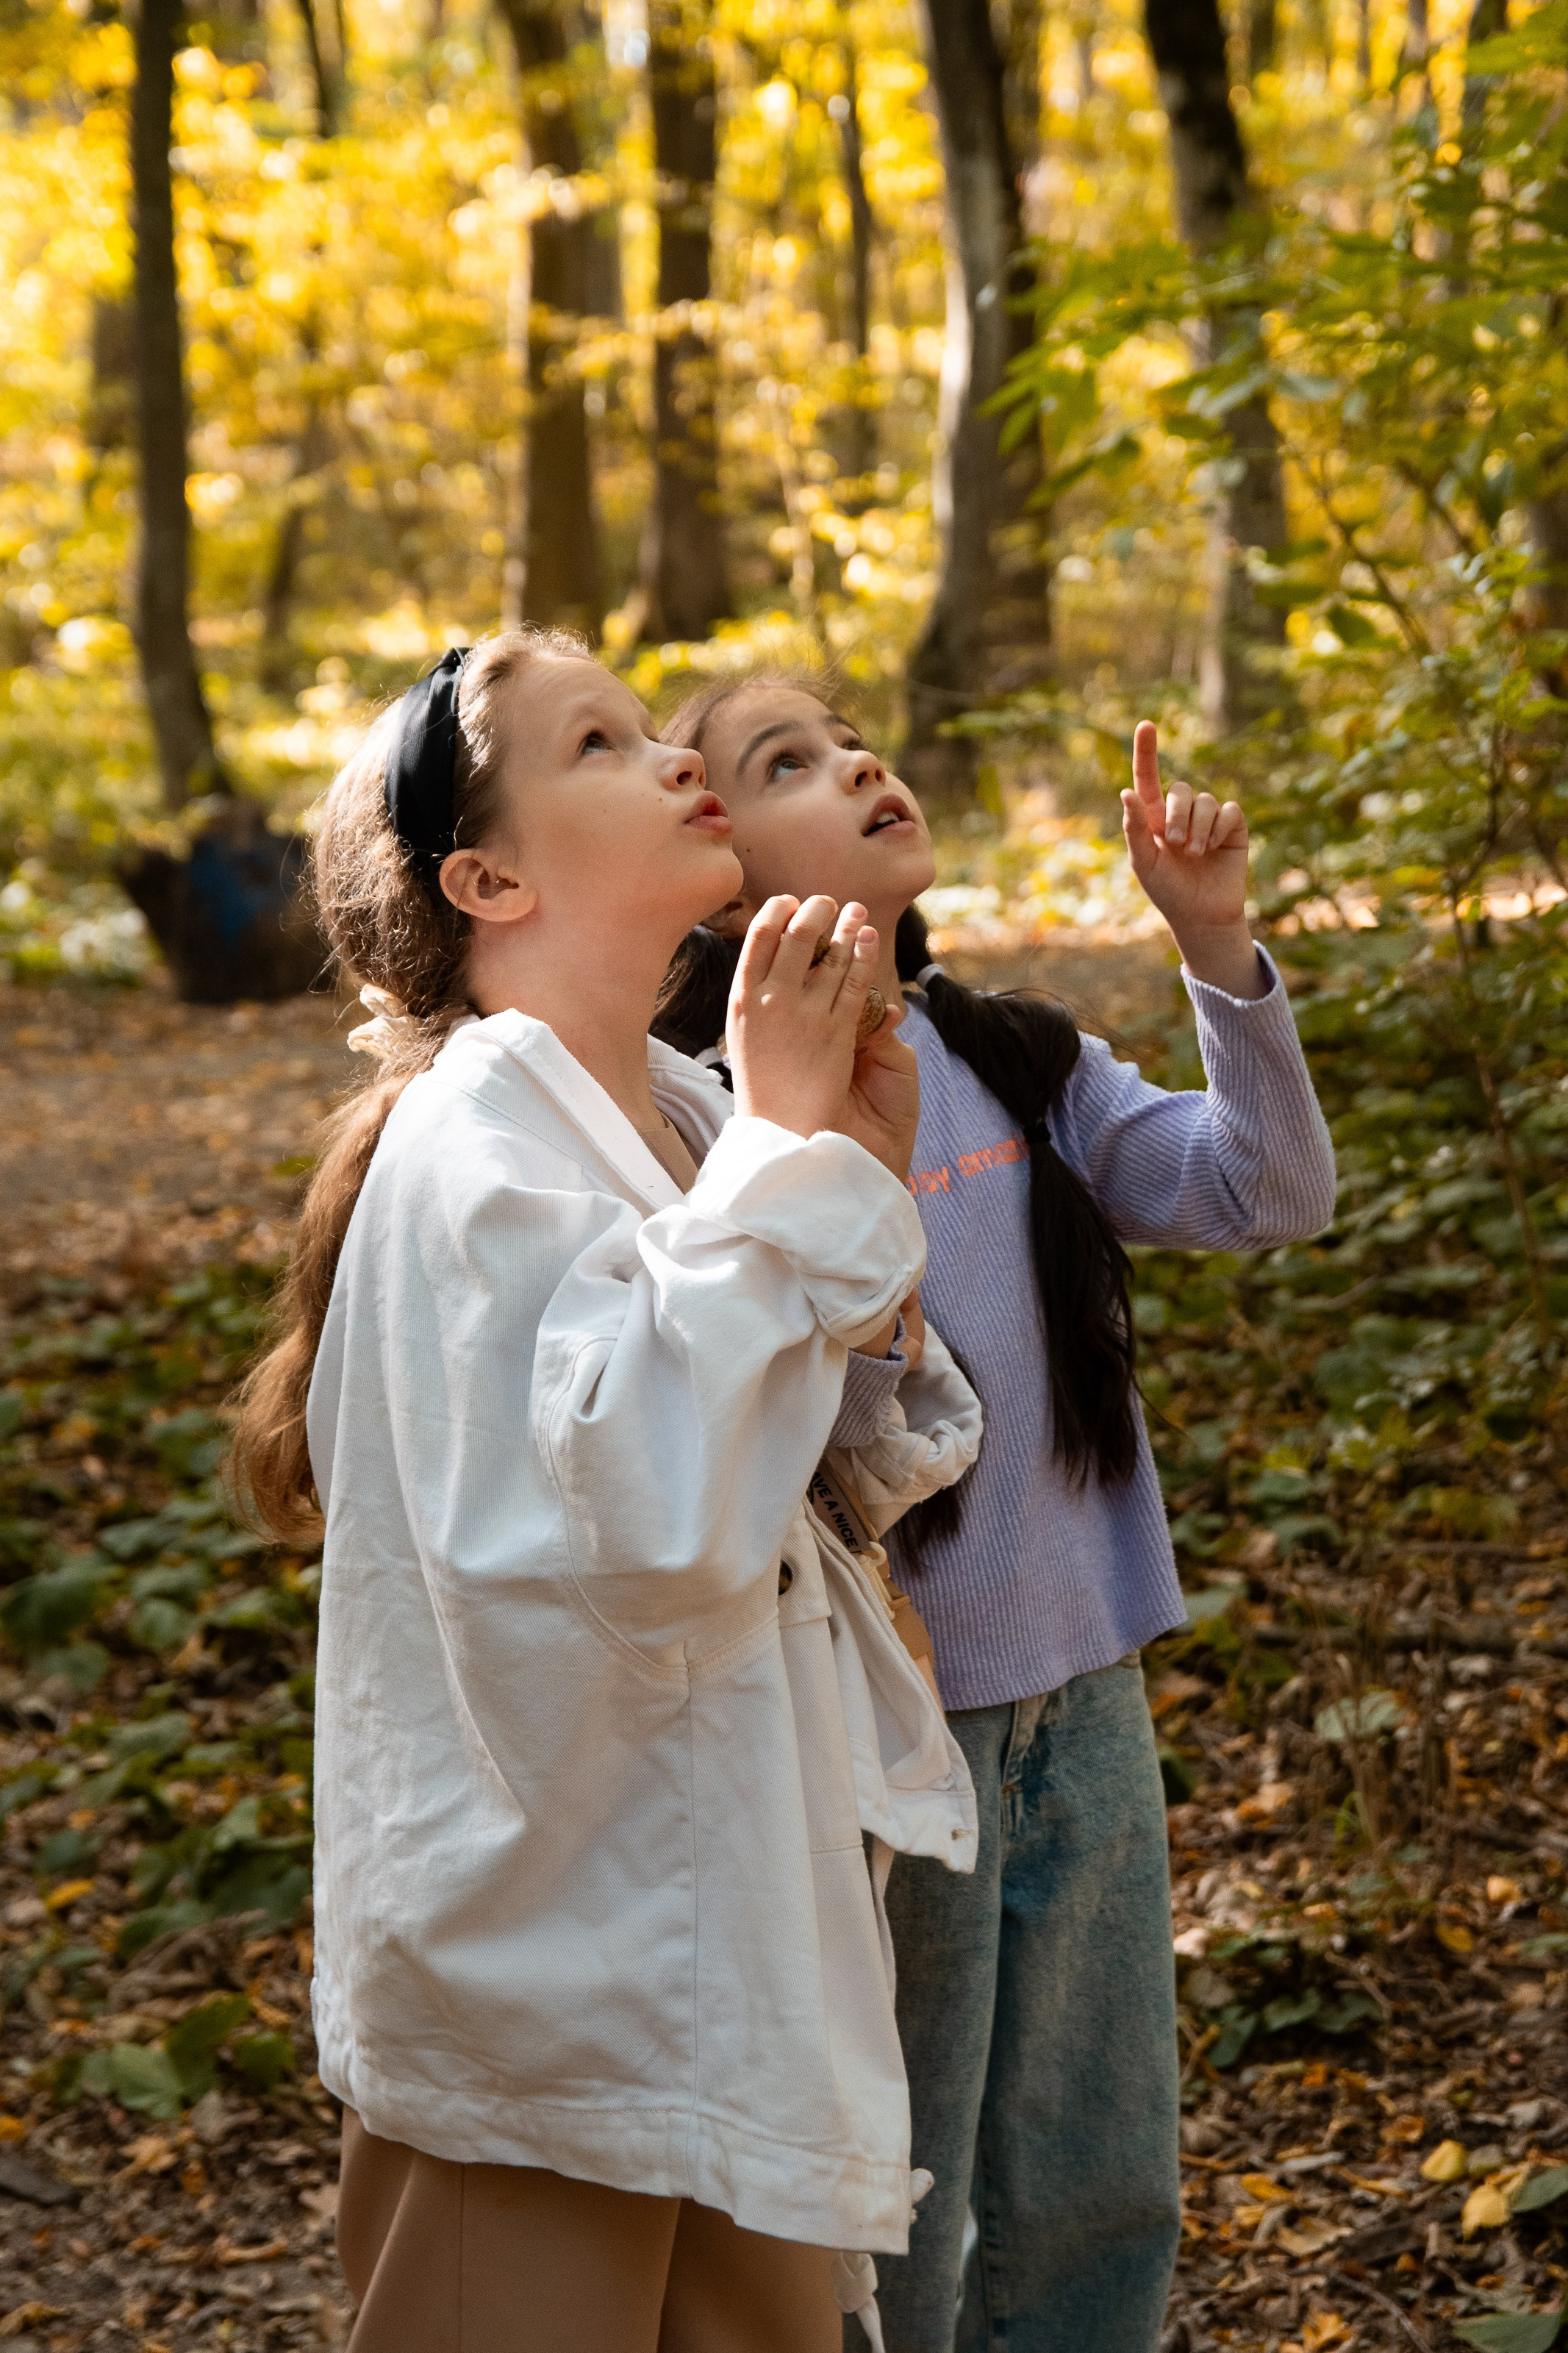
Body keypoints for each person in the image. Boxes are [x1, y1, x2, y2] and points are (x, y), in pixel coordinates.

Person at [230, 632, 985, 2353]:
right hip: (548, 1991)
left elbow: (806, 1486)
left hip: (725, 1959)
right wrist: (793, 1169)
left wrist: (836, 1188)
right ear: (486, 877)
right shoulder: (467, 1153)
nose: (669, 757)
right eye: (598, 740)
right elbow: (645, 1526)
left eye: (653, 729)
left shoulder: (678, 1102)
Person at [653, 677, 1339, 2353]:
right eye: (787, 763)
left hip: (1082, 1690)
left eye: (848, 736)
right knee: (901, 2198)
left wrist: (1214, 946)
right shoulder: (701, 1127)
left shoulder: (1015, 1058)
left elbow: (1270, 1191)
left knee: (1101, 2178)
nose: (859, 763)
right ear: (717, 871)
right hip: (879, 1744)